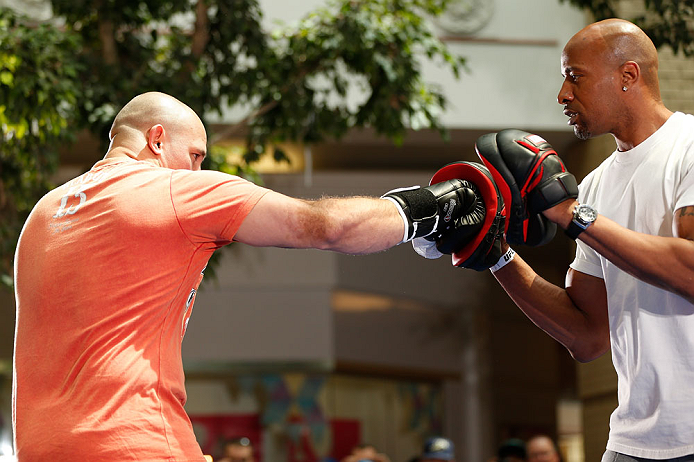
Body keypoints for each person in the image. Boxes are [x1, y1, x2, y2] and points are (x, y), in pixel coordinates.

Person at [11, 91, 491, 461]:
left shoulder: (43, 213)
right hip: (135, 441)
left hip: (38, 448)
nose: (200, 167)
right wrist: (434, 208)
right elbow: (327, 227)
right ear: (157, 140)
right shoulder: (176, 191)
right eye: (196, 155)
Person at [467, 18, 694, 462]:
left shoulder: (689, 147)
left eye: (575, 76)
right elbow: (587, 336)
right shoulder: (593, 186)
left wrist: (572, 215)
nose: (563, 95)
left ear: (628, 76)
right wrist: (495, 253)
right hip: (634, 440)